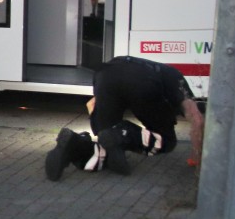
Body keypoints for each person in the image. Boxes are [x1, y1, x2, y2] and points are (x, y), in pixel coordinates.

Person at [45, 55, 204, 180]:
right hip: (143, 80)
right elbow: (196, 119)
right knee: (166, 142)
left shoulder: (163, 71)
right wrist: (197, 160)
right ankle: (121, 134)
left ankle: (73, 144)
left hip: (106, 73)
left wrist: (102, 126)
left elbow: (92, 103)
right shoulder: (176, 77)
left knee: (106, 142)